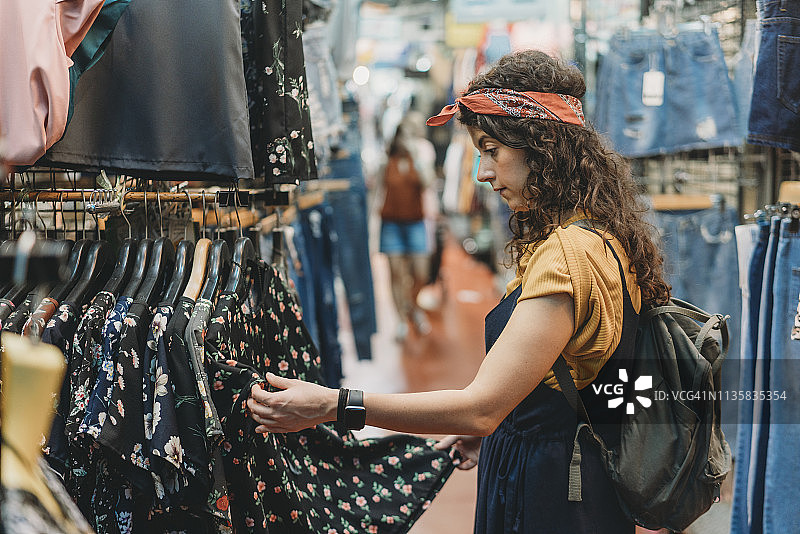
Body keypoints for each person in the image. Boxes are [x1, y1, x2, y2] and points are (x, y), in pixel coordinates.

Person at [246, 50, 671, 533]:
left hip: (554, 494)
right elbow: (588, 381)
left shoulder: (567, 258)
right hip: (570, 470)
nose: (482, 174)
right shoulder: (598, 233)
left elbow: (480, 407)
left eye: (492, 150)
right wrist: (510, 428)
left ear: (543, 144)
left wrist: (334, 405)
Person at [377, 113, 437, 338]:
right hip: (390, 223)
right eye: (403, 136)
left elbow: (428, 182)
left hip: (415, 222)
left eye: (410, 136)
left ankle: (412, 305)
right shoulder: (387, 161)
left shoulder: (419, 160)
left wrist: (417, 157)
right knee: (395, 272)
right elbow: (377, 192)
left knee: (421, 272)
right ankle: (401, 319)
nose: (406, 141)